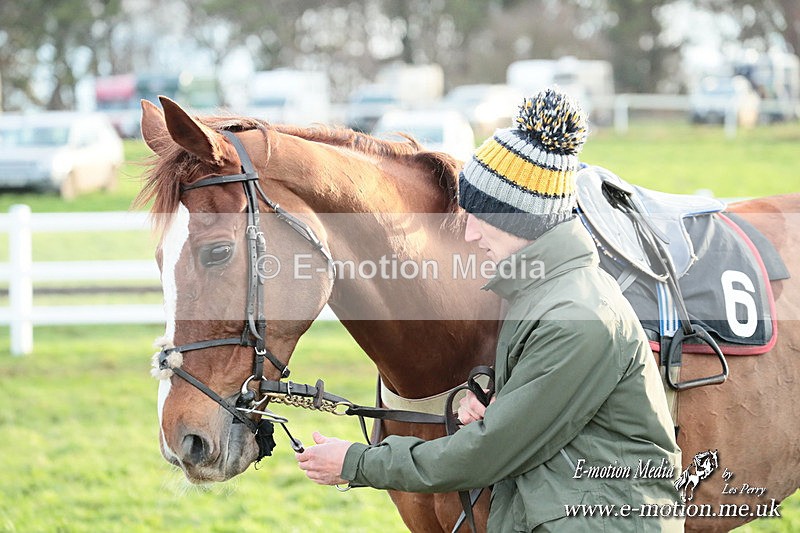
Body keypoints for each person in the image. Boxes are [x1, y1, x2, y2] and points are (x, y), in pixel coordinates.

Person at [296, 88, 683, 532]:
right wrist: (491, 403)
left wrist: (354, 462)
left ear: (520, 218)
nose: (471, 234)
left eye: (479, 216)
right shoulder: (543, 294)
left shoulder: (578, 317)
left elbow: (488, 452)